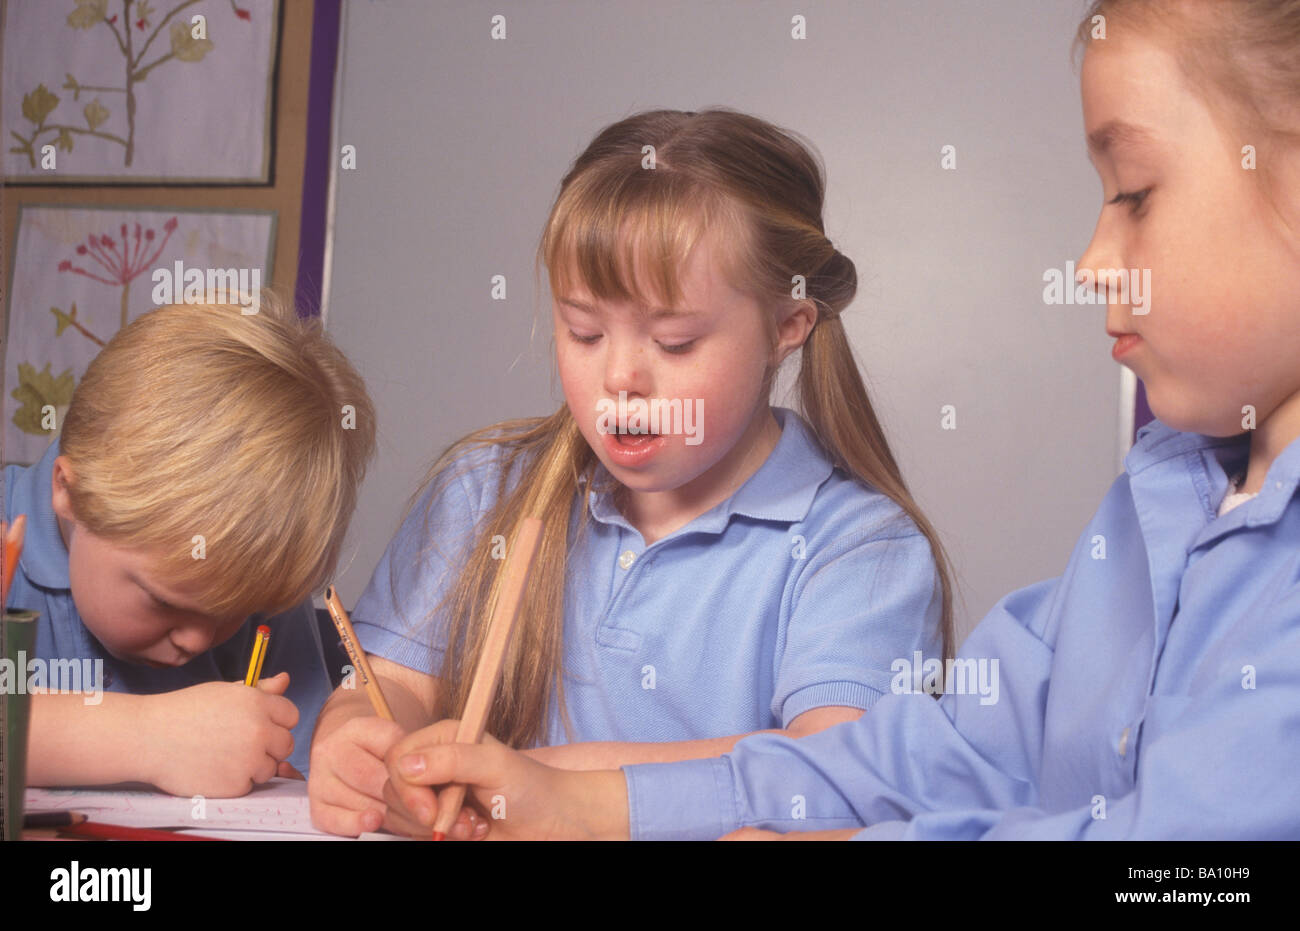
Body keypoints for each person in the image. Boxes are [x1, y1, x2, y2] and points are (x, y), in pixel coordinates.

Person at [377, 0, 1300, 839]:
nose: (1094, 259)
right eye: (582, 329)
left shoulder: (856, 543)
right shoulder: (1156, 506)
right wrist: (590, 801)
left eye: (1135, 193)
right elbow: (936, 753)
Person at [309, 108, 956, 837]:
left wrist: (555, 789)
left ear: (787, 326)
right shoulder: (482, 489)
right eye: (583, 331)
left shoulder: (861, 548)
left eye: (675, 342)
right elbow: (388, 683)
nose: (619, 377)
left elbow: (840, 773)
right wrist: (358, 737)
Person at [8, 295, 376, 797]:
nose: (199, 642)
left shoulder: (255, 579)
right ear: (68, 493)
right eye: (164, 602)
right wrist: (147, 737)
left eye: (237, 612)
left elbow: (306, 774)